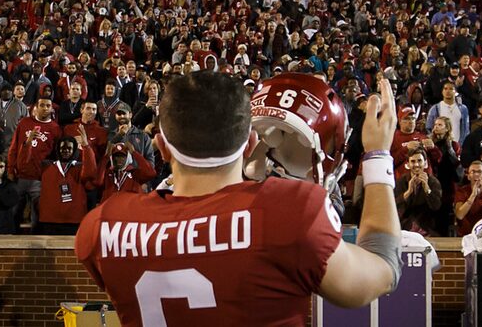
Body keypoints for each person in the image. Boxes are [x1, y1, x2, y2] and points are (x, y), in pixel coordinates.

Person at [75, 73, 402, 324]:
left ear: (161, 147)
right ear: (250, 144)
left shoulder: (103, 225)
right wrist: (377, 156)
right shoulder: (289, 212)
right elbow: (382, 271)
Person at [6, 97, 62, 230]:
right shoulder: (24, 123)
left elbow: (56, 155)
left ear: (51, 108)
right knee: (14, 212)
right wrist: (10, 169)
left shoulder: (55, 128)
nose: (44, 108)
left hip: (40, 177)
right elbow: (13, 148)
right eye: (42, 105)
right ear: (36, 107)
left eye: (48, 105)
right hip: (21, 175)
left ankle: (36, 246)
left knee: (38, 215)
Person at [37, 133, 97, 235]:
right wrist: (28, 144)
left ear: (74, 150)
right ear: (58, 150)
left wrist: (86, 146)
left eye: (69, 148)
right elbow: (26, 167)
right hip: (50, 220)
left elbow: (91, 172)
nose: (66, 151)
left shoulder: (80, 167)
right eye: (63, 148)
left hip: (74, 220)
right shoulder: (46, 166)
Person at [395, 149, 442, 236]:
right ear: (408, 165)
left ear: (425, 163)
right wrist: (408, 192)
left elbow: (436, 206)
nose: (416, 164)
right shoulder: (401, 181)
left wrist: (427, 188)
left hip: (427, 228)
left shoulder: (433, 182)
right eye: (413, 161)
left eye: (419, 161)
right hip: (404, 229)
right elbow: (395, 206)